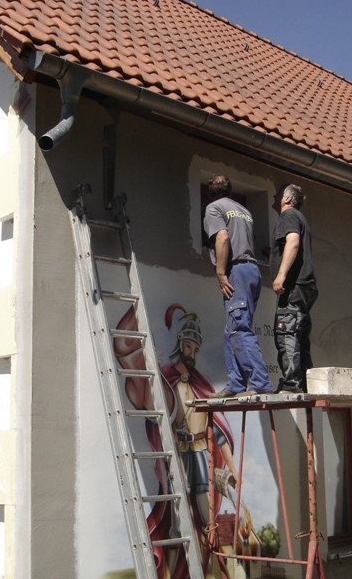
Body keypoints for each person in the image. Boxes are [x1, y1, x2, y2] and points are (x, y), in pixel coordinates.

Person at [114, 304, 237, 577]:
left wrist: (233, 469)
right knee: (174, 523)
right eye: (189, 346)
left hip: (201, 456)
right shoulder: (167, 377)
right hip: (178, 454)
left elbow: (215, 428)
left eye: (196, 349)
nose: (192, 353)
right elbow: (153, 415)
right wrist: (152, 375)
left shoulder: (201, 384)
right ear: (181, 344)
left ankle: (222, 571)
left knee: (208, 520)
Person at [202, 174, 272, 397]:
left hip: (237, 271)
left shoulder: (213, 208)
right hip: (252, 271)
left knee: (238, 328)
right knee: (231, 329)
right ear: (230, 192)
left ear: (209, 193)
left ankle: (259, 383)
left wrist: (221, 272)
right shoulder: (244, 210)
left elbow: (222, 237)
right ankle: (236, 384)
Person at [270, 184, 319, 393]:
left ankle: (292, 384)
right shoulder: (300, 219)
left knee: (286, 332)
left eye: (279, 195)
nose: (275, 197)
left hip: (294, 286)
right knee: (299, 336)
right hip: (305, 286)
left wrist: (281, 275)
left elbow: (293, 242)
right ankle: (305, 383)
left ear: (287, 199)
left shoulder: (288, 216)